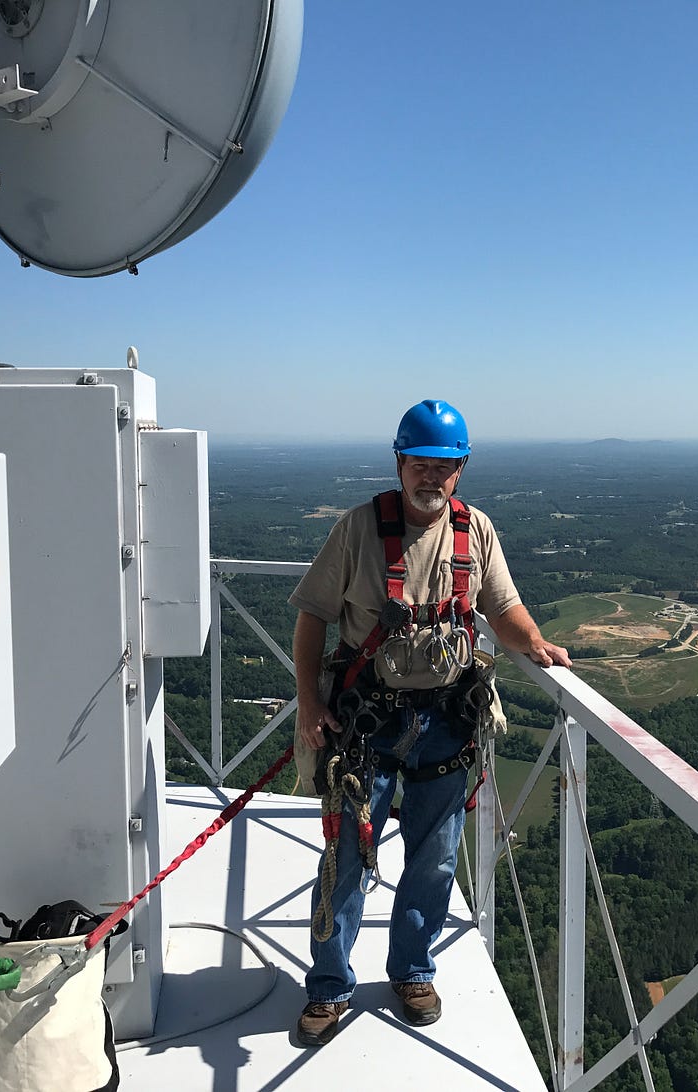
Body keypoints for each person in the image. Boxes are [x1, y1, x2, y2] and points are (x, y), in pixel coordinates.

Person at [288, 398, 571, 1047]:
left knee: (435, 861)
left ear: (461, 469)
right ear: (399, 462)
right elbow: (312, 616)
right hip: (367, 726)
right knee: (347, 861)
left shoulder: (476, 532)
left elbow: (504, 607)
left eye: (444, 466)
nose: (431, 477)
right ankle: (329, 986)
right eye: (420, 462)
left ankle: (413, 971)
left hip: (445, 721)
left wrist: (534, 644)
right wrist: (309, 701)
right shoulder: (359, 529)